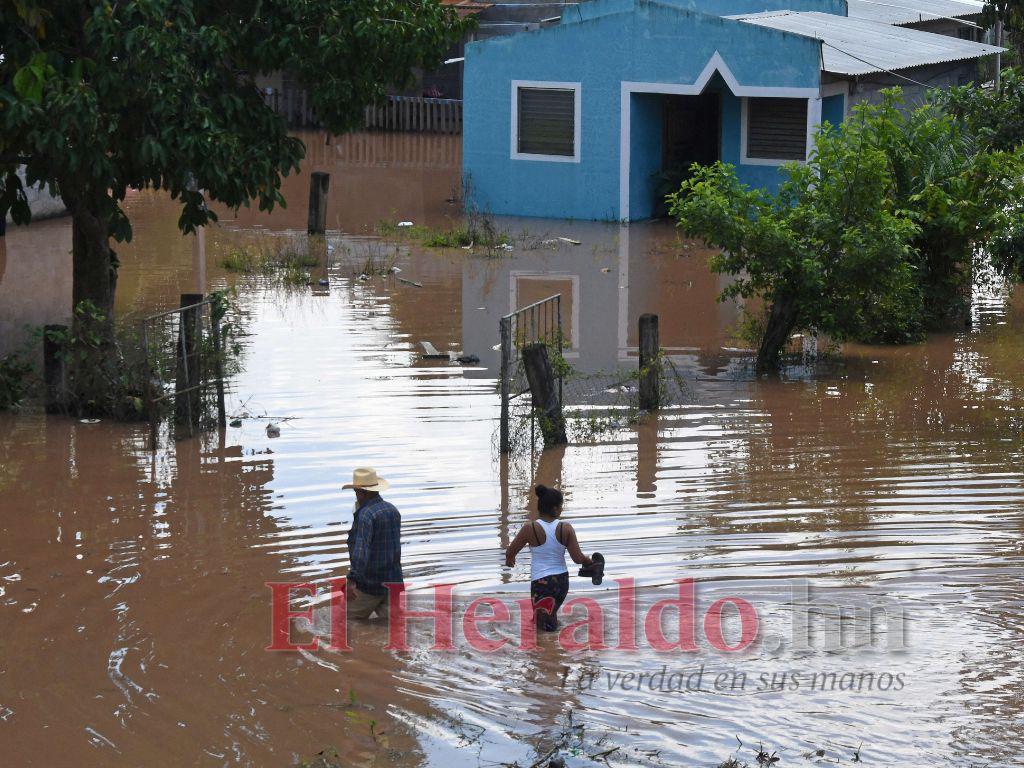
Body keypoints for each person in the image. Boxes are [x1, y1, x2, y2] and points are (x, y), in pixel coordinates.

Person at [504, 484, 593, 632]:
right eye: (561, 506)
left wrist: (510, 559)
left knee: (543, 628)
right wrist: (589, 562)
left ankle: (551, 652)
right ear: (555, 509)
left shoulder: (530, 528)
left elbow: (511, 551)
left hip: (541, 583)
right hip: (561, 583)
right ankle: (557, 645)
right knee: (550, 617)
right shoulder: (566, 528)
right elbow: (577, 558)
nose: (561, 509)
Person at [344, 467, 403, 620]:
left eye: (356, 492)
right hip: (393, 583)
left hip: (370, 585)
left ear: (361, 493)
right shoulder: (393, 510)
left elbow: (361, 553)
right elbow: (394, 549)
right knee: (394, 627)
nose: (356, 496)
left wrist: (352, 580)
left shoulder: (366, 515)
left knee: (343, 622)